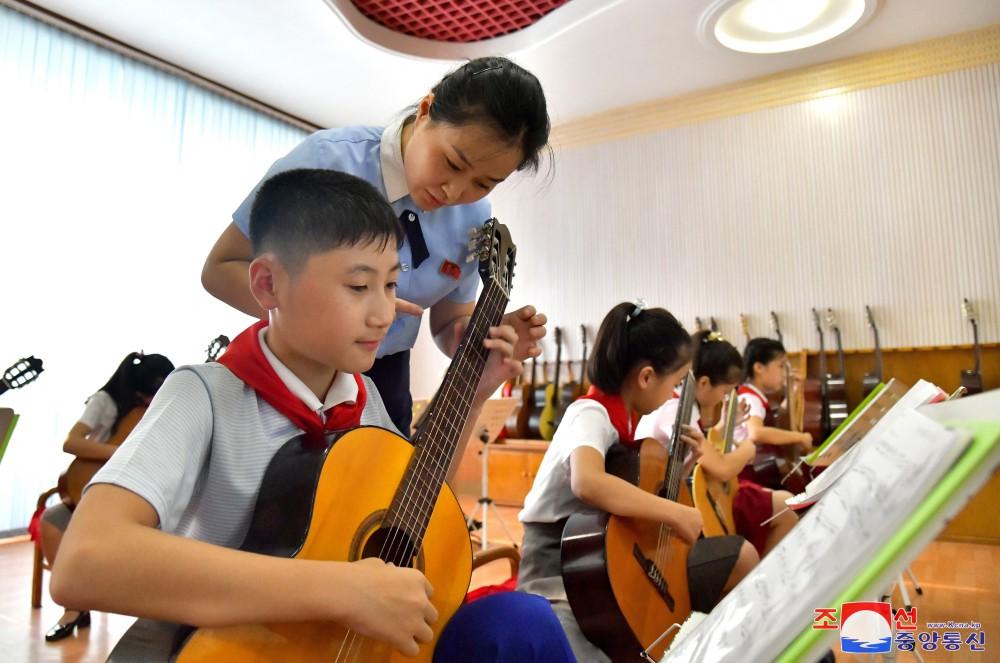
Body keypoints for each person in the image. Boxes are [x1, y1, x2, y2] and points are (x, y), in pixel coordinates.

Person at [51, 169, 573, 662]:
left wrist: (476, 392)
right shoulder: (204, 394)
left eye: (392, 285)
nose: (383, 313)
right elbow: (83, 563)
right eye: (358, 286)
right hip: (240, 646)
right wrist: (341, 590)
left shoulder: (363, 398)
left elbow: (415, 498)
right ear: (268, 286)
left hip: (349, 645)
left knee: (522, 621)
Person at [201, 56, 551, 433]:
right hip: (293, 369)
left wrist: (481, 338)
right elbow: (221, 268)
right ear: (426, 110)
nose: (455, 191)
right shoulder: (327, 161)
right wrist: (321, 323)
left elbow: (448, 322)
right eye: (451, 162)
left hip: (385, 384)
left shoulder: (474, 219)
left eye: (483, 183)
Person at [517, 302, 758, 662]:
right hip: (559, 568)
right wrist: (675, 513)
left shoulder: (625, 418)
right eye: (675, 384)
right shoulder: (589, 414)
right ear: (645, 377)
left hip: (611, 554)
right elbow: (588, 482)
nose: (676, 395)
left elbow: (627, 489)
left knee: (731, 563)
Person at [41, 351, 174, 642]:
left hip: (138, 495)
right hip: (89, 487)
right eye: (148, 396)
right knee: (52, 520)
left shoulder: (162, 408)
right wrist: (119, 453)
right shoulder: (104, 402)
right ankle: (73, 607)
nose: (152, 403)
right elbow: (71, 442)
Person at [637, 331, 798, 558]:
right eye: (724, 391)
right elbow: (722, 469)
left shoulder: (683, 405)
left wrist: (723, 427)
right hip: (665, 512)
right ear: (703, 383)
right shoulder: (677, 410)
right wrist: (748, 448)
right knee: (785, 506)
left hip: (686, 497)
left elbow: (702, 448)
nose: (725, 398)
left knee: (781, 502)